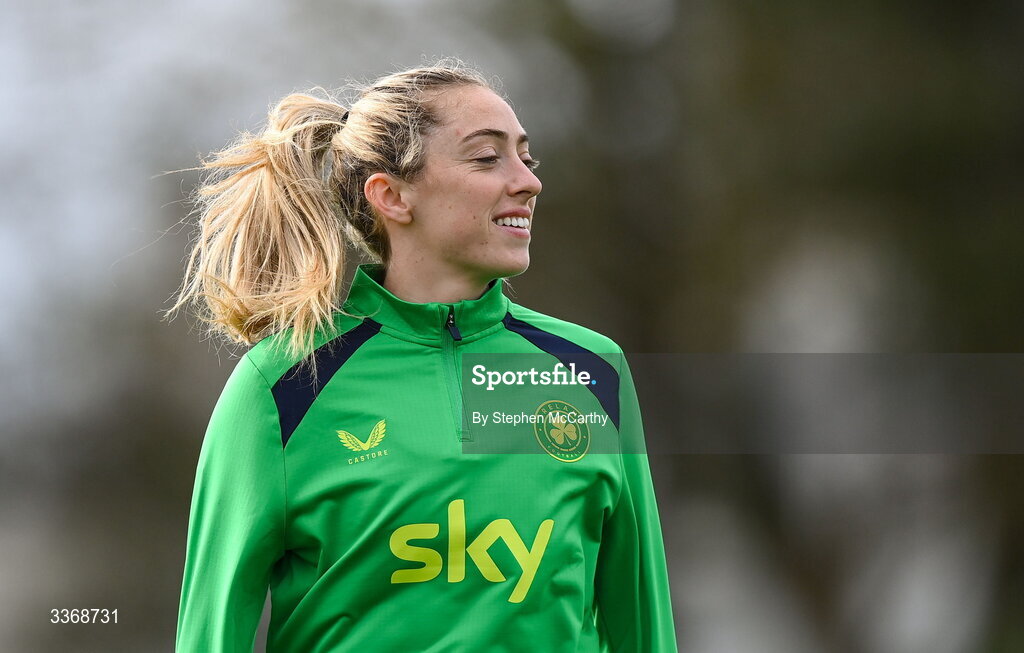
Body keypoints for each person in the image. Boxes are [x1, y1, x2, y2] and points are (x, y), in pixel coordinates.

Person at [167, 58, 677, 652]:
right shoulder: (284, 383)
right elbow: (209, 635)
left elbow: (643, 628)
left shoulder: (592, 370)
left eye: (526, 158)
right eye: (488, 157)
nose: (528, 181)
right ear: (391, 196)